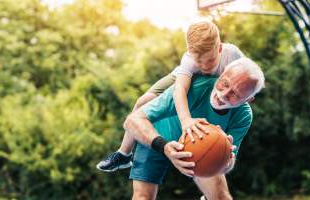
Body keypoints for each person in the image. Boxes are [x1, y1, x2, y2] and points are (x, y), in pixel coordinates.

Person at [97, 21, 246, 172]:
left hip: (213, 91)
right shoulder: (189, 60)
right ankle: (124, 154)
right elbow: (180, 88)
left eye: (210, 61)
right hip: (184, 78)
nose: (204, 66)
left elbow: (246, 77)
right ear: (189, 52)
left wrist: (249, 93)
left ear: (220, 48)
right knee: (142, 101)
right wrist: (186, 120)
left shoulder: (233, 55)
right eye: (198, 61)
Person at [124, 57, 265, 199]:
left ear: (247, 100)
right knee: (143, 197)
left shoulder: (243, 115)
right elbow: (132, 120)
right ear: (221, 75)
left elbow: (228, 163)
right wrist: (164, 146)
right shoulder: (194, 87)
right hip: (157, 136)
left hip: (199, 149)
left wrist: (226, 160)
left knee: (221, 198)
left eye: (235, 93)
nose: (224, 94)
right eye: (225, 83)